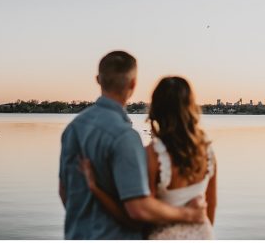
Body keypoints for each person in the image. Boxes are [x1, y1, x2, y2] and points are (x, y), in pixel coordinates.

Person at [58, 51, 206, 239]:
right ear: (133, 84)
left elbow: (64, 191)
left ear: (98, 80)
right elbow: (138, 209)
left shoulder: (73, 129)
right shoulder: (125, 137)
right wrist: (189, 214)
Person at [79, 76, 217, 239]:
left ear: (156, 108)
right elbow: (210, 207)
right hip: (203, 234)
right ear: (190, 107)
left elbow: (139, 215)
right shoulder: (207, 152)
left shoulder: (153, 155)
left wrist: (95, 187)